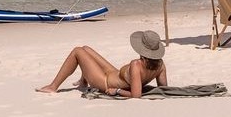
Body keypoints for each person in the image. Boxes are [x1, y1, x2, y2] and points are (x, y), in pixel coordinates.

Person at [35, 30, 167, 98]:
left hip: (105, 82)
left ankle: (53, 86)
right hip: (114, 74)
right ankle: (83, 81)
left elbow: (136, 95)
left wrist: (117, 91)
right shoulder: (160, 65)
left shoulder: (136, 65)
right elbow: (164, 88)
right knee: (86, 49)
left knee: (77, 51)